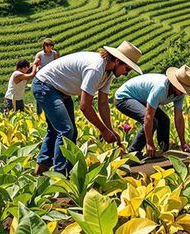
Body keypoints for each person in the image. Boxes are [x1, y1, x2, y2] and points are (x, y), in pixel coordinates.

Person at [34, 42, 143, 175]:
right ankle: (60, 175)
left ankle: (41, 172)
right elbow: (85, 106)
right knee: (66, 130)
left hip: (61, 90)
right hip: (46, 84)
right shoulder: (96, 68)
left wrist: (110, 130)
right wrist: (103, 130)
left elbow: (103, 103)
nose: (126, 73)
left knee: (62, 131)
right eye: (127, 69)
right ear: (116, 60)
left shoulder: (108, 73)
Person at [115, 65, 190, 159]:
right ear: (175, 84)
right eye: (182, 89)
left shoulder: (180, 94)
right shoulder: (161, 88)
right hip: (125, 97)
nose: (184, 92)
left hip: (142, 98)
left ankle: (164, 150)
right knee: (153, 121)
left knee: (164, 120)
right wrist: (149, 143)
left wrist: (183, 143)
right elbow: (148, 117)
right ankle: (132, 154)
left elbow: (178, 118)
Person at [32, 39, 59, 116]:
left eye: (51, 46)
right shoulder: (39, 54)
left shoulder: (54, 54)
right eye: (48, 46)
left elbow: (57, 64)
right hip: (42, 76)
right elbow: (35, 64)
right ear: (44, 46)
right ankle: (39, 113)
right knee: (40, 94)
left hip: (51, 76)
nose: (50, 47)